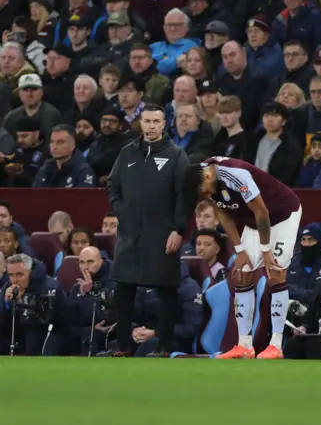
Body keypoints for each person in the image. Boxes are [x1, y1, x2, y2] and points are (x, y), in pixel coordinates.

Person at [183, 156, 302, 360]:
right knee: (242, 274)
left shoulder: (236, 175)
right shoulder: (202, 179)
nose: (206, 196)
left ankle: (276, 344)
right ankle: (244, 344)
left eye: (205, 192)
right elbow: (223, 215)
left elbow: (262, 211)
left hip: (282, 214)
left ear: (209, 176)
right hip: (252, 221)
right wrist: (239, 250)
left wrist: (266, 250)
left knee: (275, 271)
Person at [101, 104, 190, 358]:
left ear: (164, 124)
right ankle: (123, 347)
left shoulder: (176, 155)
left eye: (156, 121)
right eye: (147, 121)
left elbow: (185, 196)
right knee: (125, 289)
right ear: (140, 123)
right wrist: (122, 210)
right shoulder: (127, 153)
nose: (150, 126)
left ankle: (163, 347)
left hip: (163, 232)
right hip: (131, 233)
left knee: (166, 290)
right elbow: (113, 185)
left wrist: (178, 229)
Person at [0, 253, 66, 356]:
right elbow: (4, 323)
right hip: (21, 330)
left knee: (33, 335)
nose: (15, 279)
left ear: (30, 272)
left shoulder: (49, 287)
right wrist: (7, 304)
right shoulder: (8, 288)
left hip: (52, 331)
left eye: (20, 274)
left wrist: (21, 303)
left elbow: (43, 321)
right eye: (11, 275)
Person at [66, 246, 115, 356]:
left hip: (107, 333)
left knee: (90, 334)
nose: (85, 267)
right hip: (81, 331)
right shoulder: (77, 287)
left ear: (101, 262)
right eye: (82, 263)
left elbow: (102, 315)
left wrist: (89, 293)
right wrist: (84, 293)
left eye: (90, 262)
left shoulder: (113, 283)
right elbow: (69, 316)